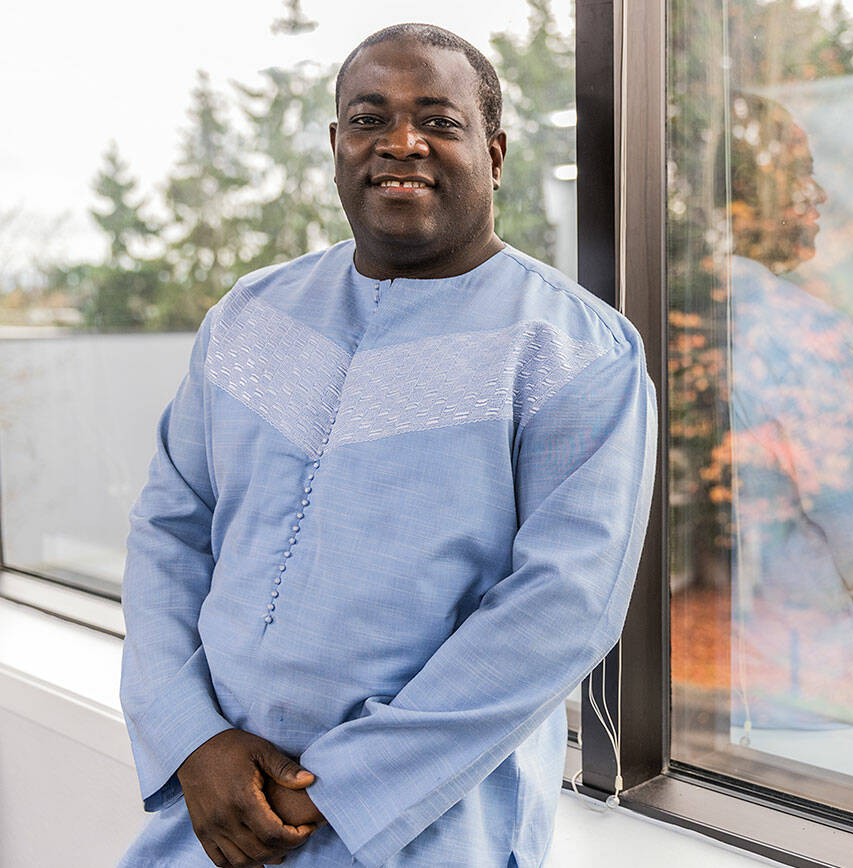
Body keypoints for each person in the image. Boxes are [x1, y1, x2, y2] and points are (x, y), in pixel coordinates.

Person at [117, 23, 656, 868]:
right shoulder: (250, 319)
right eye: (370, 119)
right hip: (207, 821)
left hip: (423, 833)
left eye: (439, 121)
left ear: (496, 151)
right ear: (338, 145)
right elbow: (168, 535)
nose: (401, 142)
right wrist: (192, 740)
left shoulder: (574, 350)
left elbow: (563, 610)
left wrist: (339, 788)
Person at [722, 93, 853, 736]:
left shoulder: (670, 318)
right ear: (744, 203)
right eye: (799, 174)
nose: (820, 197)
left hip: (694, 698)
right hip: (807, 701)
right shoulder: (797, 333)